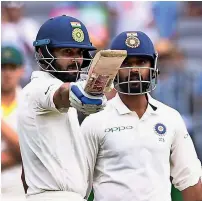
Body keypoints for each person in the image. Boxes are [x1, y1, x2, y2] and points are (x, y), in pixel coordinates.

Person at [81, 31, 202, 201]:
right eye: (126, 63)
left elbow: (190, 180)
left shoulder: (170, 118)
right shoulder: (95, 122)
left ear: (152, 66)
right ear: (114, 69)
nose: (135, 70)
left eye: (141, 62)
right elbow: (79, 187)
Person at [17, 15, 106, 201]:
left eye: (79, 53)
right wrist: (92, 86)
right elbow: (63, 93)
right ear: (44, 53)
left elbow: (26, 173)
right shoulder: (37, 88)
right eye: (67, 52)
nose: (76, 60)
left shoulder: (60, 94)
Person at [1, 46, 25, 199]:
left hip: (17, 188)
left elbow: (27, 151)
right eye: (3, 67)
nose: (7, 73)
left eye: (12, 67)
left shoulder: (29, 103)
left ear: (21, 70)